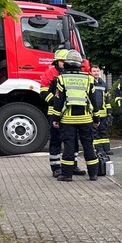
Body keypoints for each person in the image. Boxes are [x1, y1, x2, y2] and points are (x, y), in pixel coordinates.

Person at [51, 50, 100, 181]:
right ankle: (93, 174)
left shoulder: (61, 78)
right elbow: (94, 101)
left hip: (68, 119)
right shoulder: (88, 78)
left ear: (66, 63)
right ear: (80, 64)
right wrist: (96, 118)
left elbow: (58, 101)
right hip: (86, 119)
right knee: (88, 145)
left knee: (69, 146)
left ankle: (67, 175)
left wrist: (55, 119)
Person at [40, 48, 85, 178]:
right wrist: (56, 101)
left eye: (66, 61)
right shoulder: (50, 73)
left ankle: (73, 165)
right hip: (55, 112)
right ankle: (56, 167)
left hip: (71, 113)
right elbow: (43, 92)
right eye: (62, 61)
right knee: (56, 140)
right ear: (57, 62)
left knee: (73, 141)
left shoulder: (75, 73)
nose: (64, 63)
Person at [90, 65, 112, 156]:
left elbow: (107, 99)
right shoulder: (90, 83)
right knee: (95, 133)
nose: (96, 73)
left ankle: (106, 149)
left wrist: (109, 112)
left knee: (104, 132)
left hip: (103, 113)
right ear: (90, 73)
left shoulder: (103, 84)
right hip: (93, 113)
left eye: (97, 71)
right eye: (94, 71)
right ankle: (99, 150)